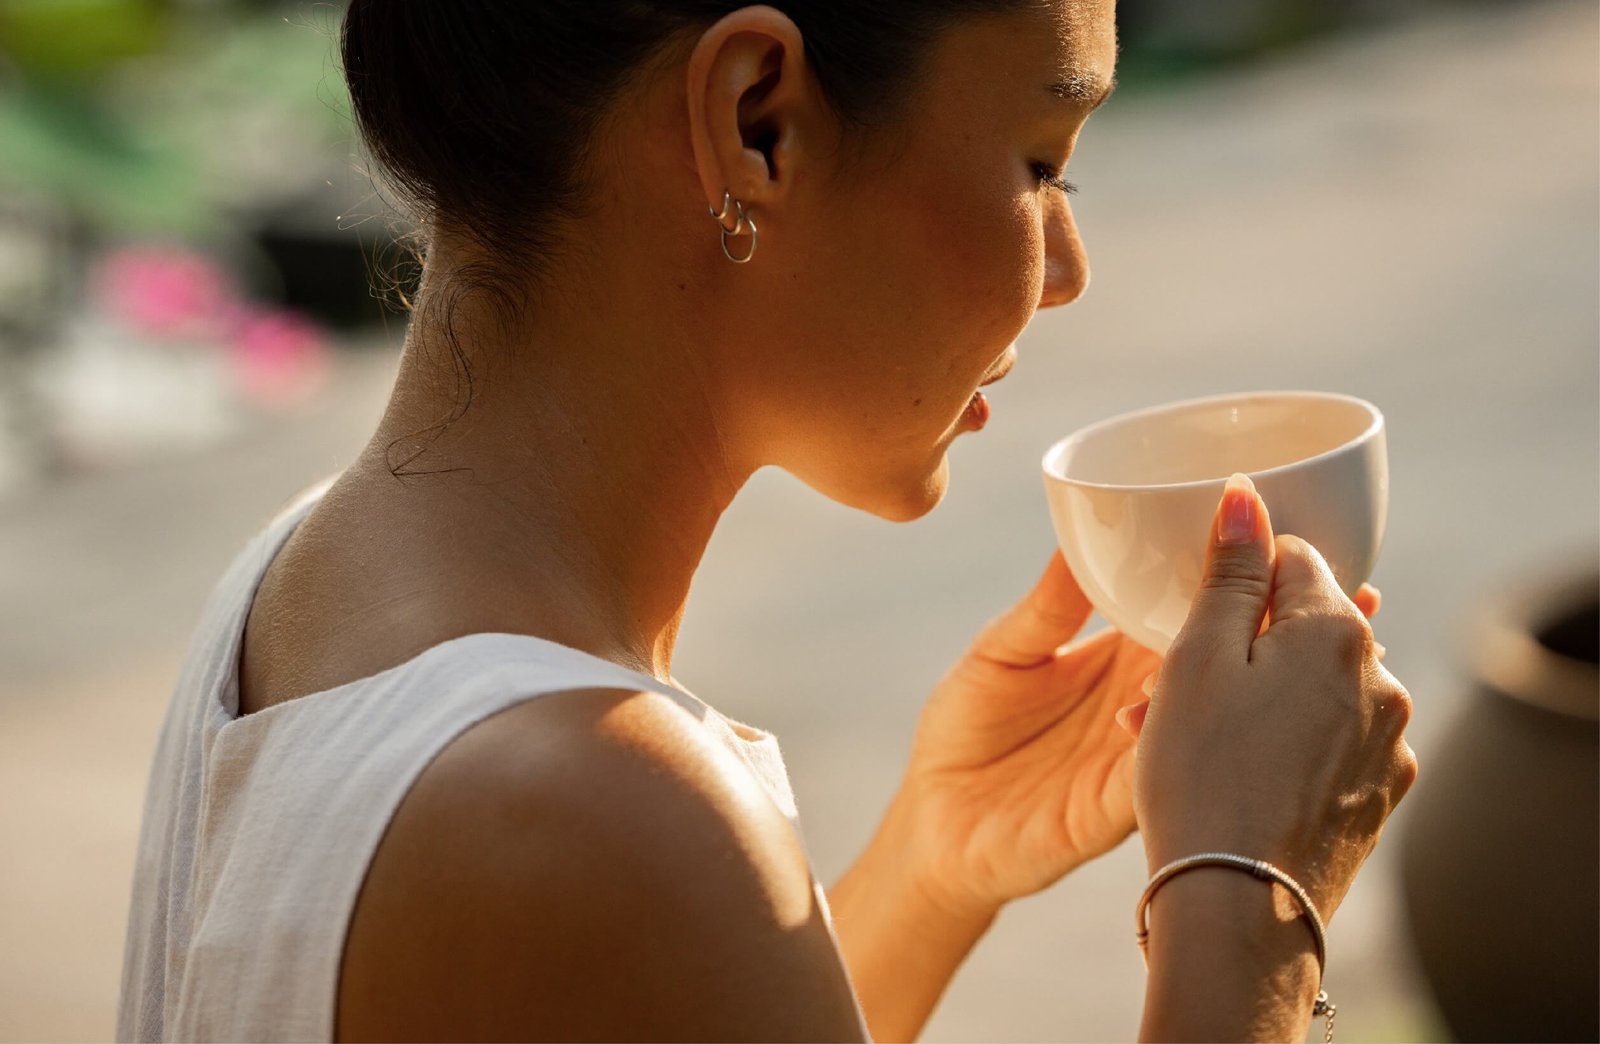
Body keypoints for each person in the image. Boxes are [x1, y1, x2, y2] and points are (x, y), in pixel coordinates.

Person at [117, 1, 1418, 1041]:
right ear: (760, 122)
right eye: (1042, 163)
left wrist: (933, 864)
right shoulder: (584, 796)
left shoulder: (297, 580)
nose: (1068, 272)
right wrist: (1251, 906)